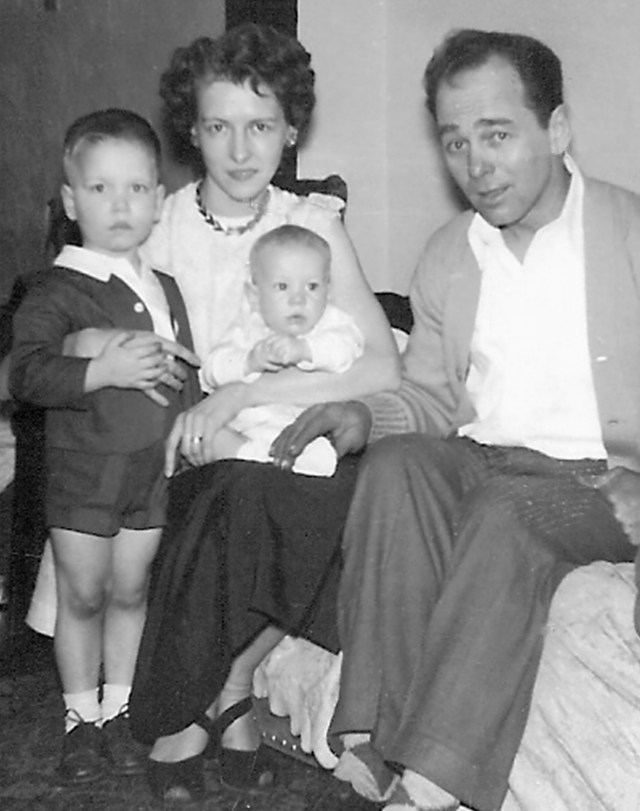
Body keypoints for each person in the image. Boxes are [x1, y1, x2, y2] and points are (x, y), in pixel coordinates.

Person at [271, 28, 640, 811]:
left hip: (597, 480)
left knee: (506, 511)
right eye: (455, 141)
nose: (476, 164)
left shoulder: (629, 235)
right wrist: (360, 415)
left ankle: (434, 780)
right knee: (397, 468)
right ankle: (377, 737)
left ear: (558, 129)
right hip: (486, 456)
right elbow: (431, 400)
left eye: (497, 134)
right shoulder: (450, 253)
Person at [86, 23, 398, 804]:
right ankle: (200, 704)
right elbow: (96, 330)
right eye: (218, 126)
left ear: (290, 131)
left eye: (261, 126)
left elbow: (378, 364)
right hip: (192, 444)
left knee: (350, 495)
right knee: (238, 490)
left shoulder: (314, 223)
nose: (239, 149)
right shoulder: (158, 225)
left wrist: (249, 393)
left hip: (284, 433)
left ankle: (223, 686)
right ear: (191, 132)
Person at [9, 109, 201, 785]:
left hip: (149, 474)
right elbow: (25, 373)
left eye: (136, 189)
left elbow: (184, 371)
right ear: (71, 201)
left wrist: (190, 424)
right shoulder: (55, 287)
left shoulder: (166, 288)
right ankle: (79, 718)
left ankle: (119, 710)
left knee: (130, 590)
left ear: (158, 200)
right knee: (83, 595)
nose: (120, 205)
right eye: (100, 189)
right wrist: (101, 369)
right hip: (83, 476)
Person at [204, 223, 364, 476]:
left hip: (301, 426)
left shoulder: (330, 323)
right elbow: (212, 370)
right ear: (254, 295)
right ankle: (258, 459)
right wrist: (249, 362)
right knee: (209, 438)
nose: (298, 299)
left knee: (317, 449)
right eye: (282, 286)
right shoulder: (247, 327)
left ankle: (283, 464)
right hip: (247, 428)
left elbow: (345, 351)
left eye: (312, 287)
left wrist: (305, 349)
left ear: (328, 291)